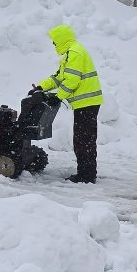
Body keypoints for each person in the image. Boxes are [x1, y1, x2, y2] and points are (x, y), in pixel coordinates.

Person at [32, 25, 103, 183]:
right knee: (83, 139)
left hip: (87, 103)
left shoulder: (75, 53)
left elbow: (72, 81)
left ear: (62, 39)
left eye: (55, 41)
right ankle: (87, 172)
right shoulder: (70, 55)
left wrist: (58, 97)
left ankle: (86, 175)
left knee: (84, 140)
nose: (54, 45)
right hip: (85, 103)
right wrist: (41, 86)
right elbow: (58, 78)